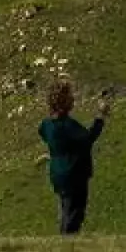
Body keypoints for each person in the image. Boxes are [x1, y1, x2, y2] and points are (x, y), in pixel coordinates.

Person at [38, 81, 106, 235]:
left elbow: (43, 133)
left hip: (57, 173)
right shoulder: (68, 125)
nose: (73, 99)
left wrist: (57, 151)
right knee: (75, 212)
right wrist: (100, 116)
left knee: (65, 209)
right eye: (70, 97)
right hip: (75, 172)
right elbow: (88, 138)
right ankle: (68, 242)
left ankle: (64, 239)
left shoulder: (47, 124)